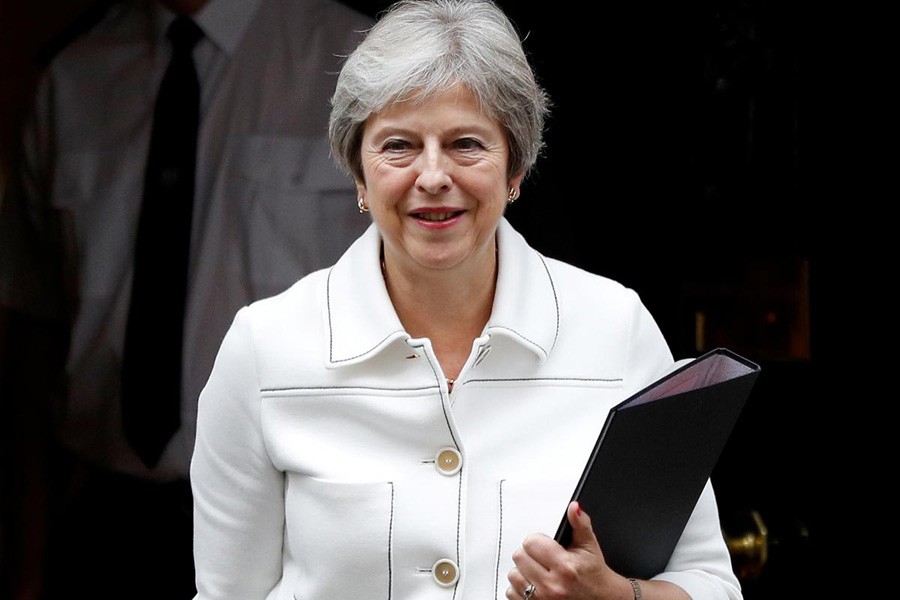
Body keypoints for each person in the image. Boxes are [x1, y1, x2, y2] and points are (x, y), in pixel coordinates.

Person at [190, 1, 744, 599]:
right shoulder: (265, 349)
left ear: (516, 168)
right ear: (359, 174)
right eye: (399, 145)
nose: (433, 176)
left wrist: (616, 596)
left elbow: (710, 582)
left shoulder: (615, 329)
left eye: (466, 144)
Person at [0, 0, 373, 598]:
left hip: (301, 532)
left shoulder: (363, 61)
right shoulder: (72, 77)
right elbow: (33, 321)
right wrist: (28, 555)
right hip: (98, 524)